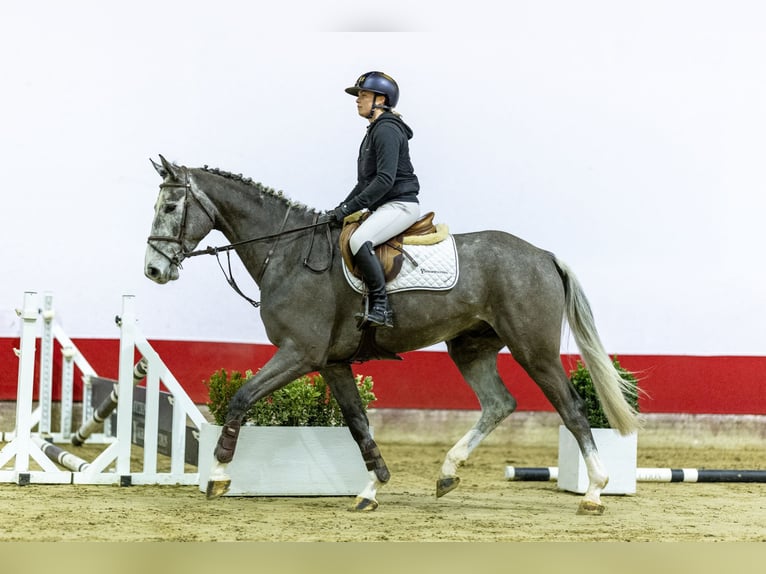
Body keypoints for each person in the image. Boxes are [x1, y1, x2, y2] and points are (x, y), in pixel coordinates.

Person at [327, 71, 421, 328]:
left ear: (382, 99)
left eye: (364, 95)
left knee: (359, 240)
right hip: (386, 205)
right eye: (359, 96)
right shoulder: (374, 131)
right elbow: (364, 184)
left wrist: (348, 208)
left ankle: (381, 307)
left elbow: (384, 181)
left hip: (401, 205)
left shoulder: (387, 129)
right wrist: (340, 210)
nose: (358, 100)